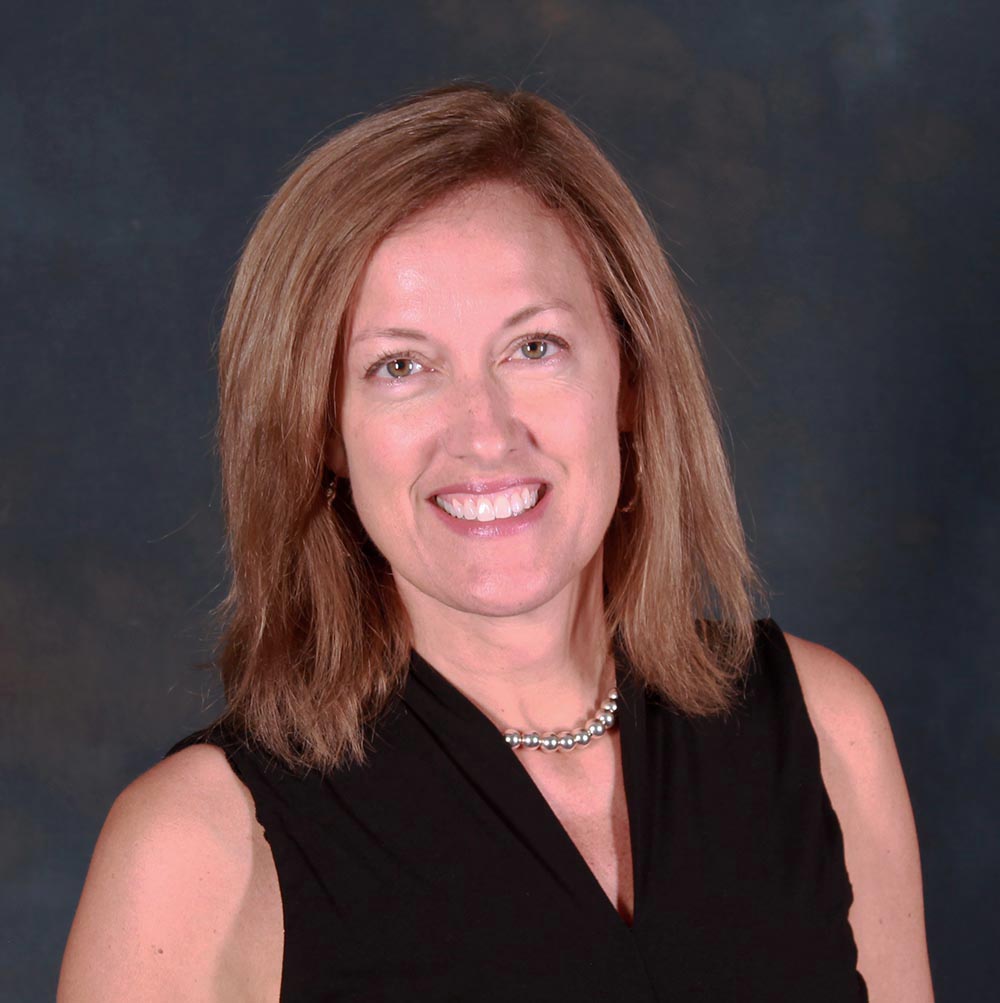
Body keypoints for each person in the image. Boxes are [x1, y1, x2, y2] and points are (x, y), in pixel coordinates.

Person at [58, 83, 934, 1002]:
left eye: (534, 348)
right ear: (321, 431)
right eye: (401, 366)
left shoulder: (825, 731)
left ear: (630, 376)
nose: (484, 433)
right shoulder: (197, 846)